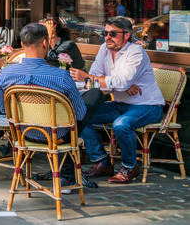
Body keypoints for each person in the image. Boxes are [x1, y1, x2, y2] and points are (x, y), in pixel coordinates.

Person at [0, 23, 105, 186]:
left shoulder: (5, 74)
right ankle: (66, 174)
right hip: (58, 136)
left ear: (21, 44)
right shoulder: (60, 76)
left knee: (68, 122)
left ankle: (66, 174)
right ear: (44, 43)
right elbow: (79, 114)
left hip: (23, 134)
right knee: (94, 95)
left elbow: (3, 109)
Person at [69, 16, 164, 184]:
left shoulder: (135, 52)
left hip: (148, 106)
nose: (107, 37)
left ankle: (130, 167)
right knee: (80, 114)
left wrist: (91, 77)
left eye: (113, 33)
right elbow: (100, 84)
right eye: (105, 33)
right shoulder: (104, 50)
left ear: (126, 35)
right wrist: (118, 85)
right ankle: (102, 161)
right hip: (121, 104)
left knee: (121, 124)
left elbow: (104, 80)